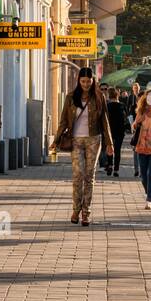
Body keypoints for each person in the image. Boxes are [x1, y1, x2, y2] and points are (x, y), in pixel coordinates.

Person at [51, 67, 113, 227]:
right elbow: (64, 120)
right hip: (76, 140)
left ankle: (86, 212)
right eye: (83, 81)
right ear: (79, 81)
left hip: (94, 139)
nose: (86, 84)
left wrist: (109, 143)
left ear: (93, 81)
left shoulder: (99, 97)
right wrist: (56, 140)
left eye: (88, 81)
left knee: (89, 176)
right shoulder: (71, 97)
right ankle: (76, 209)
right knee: (78, 176)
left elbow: (105, 121)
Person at [105, 87, 127, 177]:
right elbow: (125, 118)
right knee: (118, 150)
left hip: (109, 130)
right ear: (117, 95)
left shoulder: (107, 106)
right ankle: (116, 170)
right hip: (120, 131)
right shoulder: (122, 105)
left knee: (109, 148)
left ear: (109, 96)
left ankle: (110, 165)